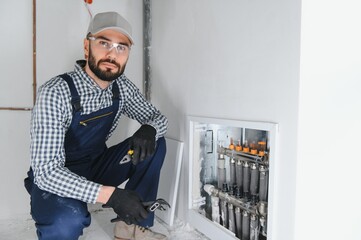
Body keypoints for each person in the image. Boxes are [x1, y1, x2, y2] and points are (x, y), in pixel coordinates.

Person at [24, 11, 168, 240]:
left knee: (155, 143)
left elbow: (159, 118)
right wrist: (112, 197)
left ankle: (128, 227)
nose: (112, 54)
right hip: (55, 177)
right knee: (65, 221)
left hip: (96, 167)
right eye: (104, 43)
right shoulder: (55, 92)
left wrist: (149, 129)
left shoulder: (121, 87)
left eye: (121, 47)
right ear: (86, 46)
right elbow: (46, 172)